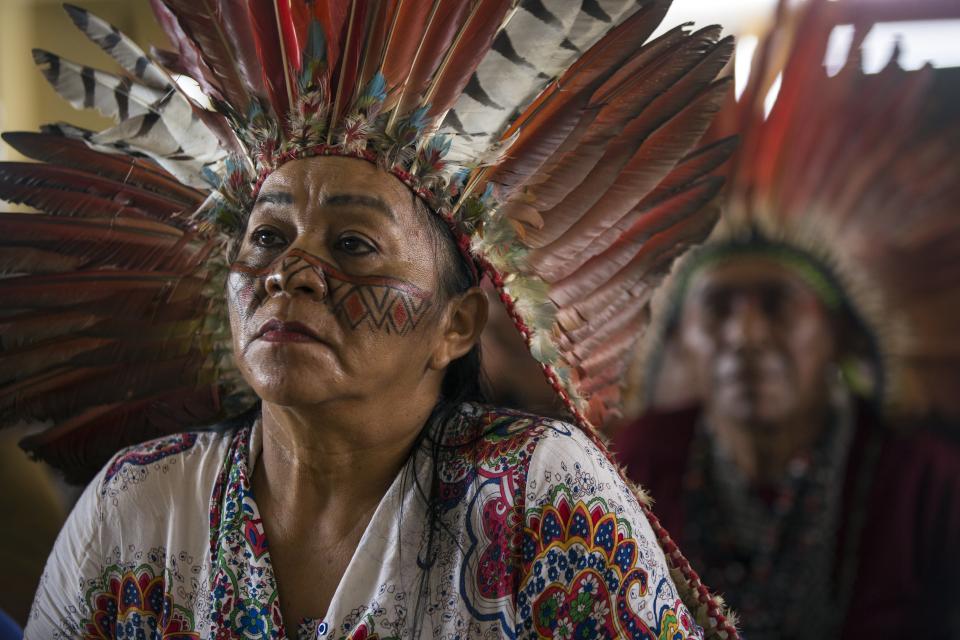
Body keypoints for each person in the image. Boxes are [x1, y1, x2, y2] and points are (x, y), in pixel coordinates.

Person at [2, 1, 740, 638]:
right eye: (266, 237)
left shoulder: (538, 490)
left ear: (456, 326)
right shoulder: (135, 504)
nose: (291, 272)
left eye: (353, 245)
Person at [616, 1, 960, 637]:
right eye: (718, 309)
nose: (745, 336)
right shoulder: (634, 470)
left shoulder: (924, 485)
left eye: (777, 305)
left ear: (838, 336)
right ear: (683, 335)